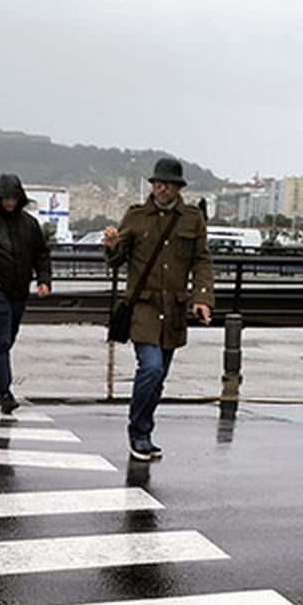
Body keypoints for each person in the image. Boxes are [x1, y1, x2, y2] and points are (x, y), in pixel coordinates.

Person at [103, 157, 214, 462]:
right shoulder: (136, 216)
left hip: (174, 310)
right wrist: (112, 245)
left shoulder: (192, 218)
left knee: (159, 377)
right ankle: (138, 433)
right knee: (150, 369)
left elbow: (202, 261)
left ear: (178, 187)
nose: (161, 188)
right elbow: (115, 260)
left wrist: (202, 298)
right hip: (143, 308)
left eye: (167, 183)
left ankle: (145, 432)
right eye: (157, 182)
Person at [0, 174, 51, 415]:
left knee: (8, 338)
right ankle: (5, 392)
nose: (9, 202)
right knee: (2, 339)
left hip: (20, 290)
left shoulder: (29, 224)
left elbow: (41, 255)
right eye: (6, 198)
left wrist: (44, 280)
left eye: (13, 198)